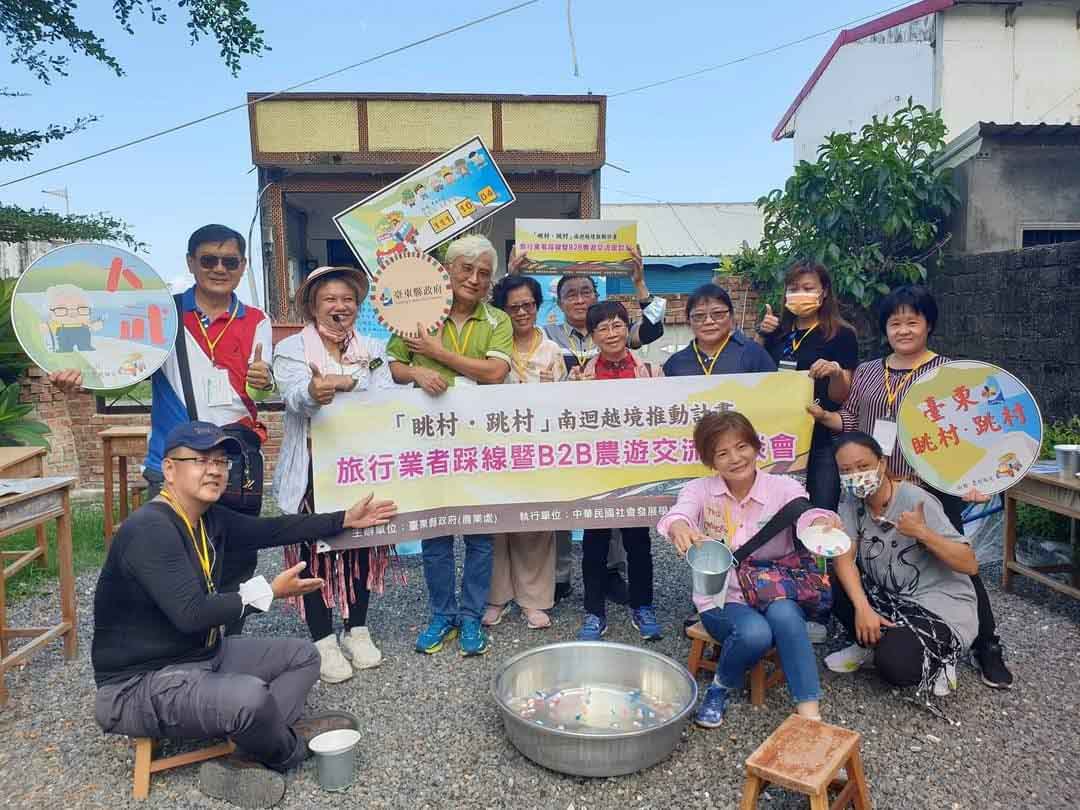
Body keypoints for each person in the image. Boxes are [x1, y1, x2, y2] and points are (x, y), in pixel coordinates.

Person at [92, 421, 396, 808]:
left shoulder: (207, 517)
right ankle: (289, 748)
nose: (214, 470)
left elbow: (272, 530)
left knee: (304, 656)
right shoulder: (150, 529)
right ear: (169, 469)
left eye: (221, 461)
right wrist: (269, 591)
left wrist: (342, 520)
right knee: (249, 697)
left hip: (200, 656)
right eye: (200, 460)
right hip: (138, 684)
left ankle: (249, 753)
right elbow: (192, 614)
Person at [50, 224, 275, 636]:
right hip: (175, 461)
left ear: (243, 266)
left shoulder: (258, 320)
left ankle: (232, 645)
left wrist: (264, 380)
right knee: (175, 563)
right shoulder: (160, 315)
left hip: (233, 459)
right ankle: (178, 652)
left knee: (237, 559)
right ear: (191, 263)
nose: (219, 269)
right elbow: (118, 367)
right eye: (209, 260)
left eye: (230, 261)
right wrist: (79, 378)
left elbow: (260, 389)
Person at [808, 285, 1013, 688]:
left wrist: (981, 479)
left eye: (911, 321)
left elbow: (974, 432)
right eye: (894, 322)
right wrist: (823, 417)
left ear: (928, 325)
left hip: (929, 487)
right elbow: (852, 422)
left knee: (953, 562)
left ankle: (985, 644)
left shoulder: (949, 374)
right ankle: (883, 631)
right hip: (874, 486)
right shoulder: (869, 371)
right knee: (868, 558)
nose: (902, 330)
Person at [657, 411, 840, 728]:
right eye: (722, 453)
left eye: (741, 446)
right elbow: (678, 514)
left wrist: (822, 522)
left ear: (756, 446)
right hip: (723, 596)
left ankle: (810, 716)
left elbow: (806, 514)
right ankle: (720, 686)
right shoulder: (700, 490)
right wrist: (679, 528)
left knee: (785, 616)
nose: (735, 458)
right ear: (710, 461)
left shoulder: (782, 487)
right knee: (756, 634)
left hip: (775, 587)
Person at [509, 246, 667, 608]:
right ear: (559, 301)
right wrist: (513, 275)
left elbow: (654, 328)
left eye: (586, 292)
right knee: (563, 504)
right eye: (570, 294)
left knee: (617, 507)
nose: (579, 299)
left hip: (614, 437)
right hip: (565, 436)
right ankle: (560, 576)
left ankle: (612, 573)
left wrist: (639, 282)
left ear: (596, 295)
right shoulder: (546, 335)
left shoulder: (612, 331)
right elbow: (508, 321)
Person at [387, 234, 512, 657]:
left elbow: (495, 373)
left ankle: (472, 615)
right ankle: (442, 614)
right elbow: (394, 365)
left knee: (480, 536)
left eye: (483, 273)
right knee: (435, 534)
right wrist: (416, 373)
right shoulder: (418, 313)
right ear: (447, 270)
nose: (474, 279)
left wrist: (436, 353)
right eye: (466, 269)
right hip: (430, 444)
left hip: (480, 444)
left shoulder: (497, 320)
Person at [272, 266, 397, 683]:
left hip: (360, 467)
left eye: (347, 299)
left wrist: (348, 384)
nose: (339, 306)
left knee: (362, 546)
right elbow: (293, 397)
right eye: (329, 299)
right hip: (312, 471)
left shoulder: (374, 347)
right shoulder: (291, 348)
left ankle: (357, 628)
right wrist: (314, 391)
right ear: (313, 306)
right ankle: (322, 638)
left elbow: (386, 397)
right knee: (312, 553)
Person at [830, 432, 979, 699]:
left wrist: (923, 533)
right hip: (891, 596)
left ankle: (942, 658)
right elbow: (843, 556)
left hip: (936, 602)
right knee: (832, 575)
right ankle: (870, 642)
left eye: (863, 466)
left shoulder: (915, 500)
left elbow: (969, 564)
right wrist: (862, 608)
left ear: (882, 463)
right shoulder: (850, 501)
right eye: (846, 470)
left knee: (895, 666)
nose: (855, 476)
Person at [568, 300, 663, 642]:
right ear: (592, 336)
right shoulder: (579, 375)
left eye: (617, 325)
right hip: (596, 472)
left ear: (628, 328)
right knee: (594, 543)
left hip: (638, 470)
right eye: (602, 328)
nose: (611, 333)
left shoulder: (650, 371)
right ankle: (594, 612)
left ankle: (643, 606)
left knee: (638, 541)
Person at [483, 274, 562, 630]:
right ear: (502, 311)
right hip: (494, 448)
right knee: (495, 524)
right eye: (513, 307)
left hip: (538, 450)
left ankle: (534, 600)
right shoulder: (491, 347)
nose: (521, 312)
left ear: (538, 305)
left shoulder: (552, 351)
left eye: (527, 305)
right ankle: (496, 597)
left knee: (535, 525)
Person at [757, 260, 858, 510]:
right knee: (777, 511)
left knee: (821, 511)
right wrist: (761, 334)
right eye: (793, 289)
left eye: (808, 288)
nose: (800, 294)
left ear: (824, 291)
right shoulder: (778, 333)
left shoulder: (841, 334)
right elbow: (754, 374)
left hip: (821, 439)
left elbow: (841, 396)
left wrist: (835, 372)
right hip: (778, 438)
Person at [663, 283, 776, 376]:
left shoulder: (753, 354)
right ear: (688, 321)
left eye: (718, 314)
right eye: (699, 316)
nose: (708, 321)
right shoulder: (675, 364)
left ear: (731, 317)